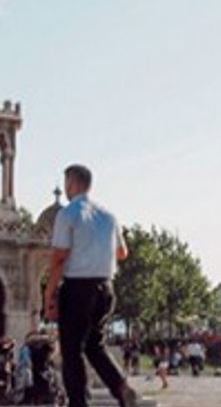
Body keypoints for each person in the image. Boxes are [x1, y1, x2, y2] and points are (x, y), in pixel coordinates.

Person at [43, 164, 138, 407]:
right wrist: (96, 255)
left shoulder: (69, 214)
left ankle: (78, 403)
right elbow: (122, 252)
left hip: (78, 289)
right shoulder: (108, 216)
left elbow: (59, 258)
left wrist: (50, 295)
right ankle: (121, 386)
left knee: (72, 350)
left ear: (71, 184)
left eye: (67, 184)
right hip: (105, 287)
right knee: (95, 346)